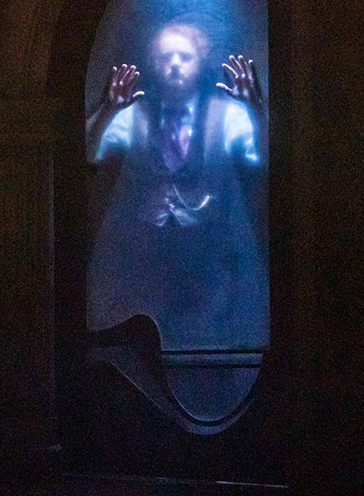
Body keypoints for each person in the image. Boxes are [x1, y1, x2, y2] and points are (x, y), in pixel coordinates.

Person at [84, 21, 268, 423]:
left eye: (184, 57)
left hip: (211, 271)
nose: (174, 65)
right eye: (165, 57)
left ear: (200, 62)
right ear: (152, 64)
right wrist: (106, 110)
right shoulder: (133, 116)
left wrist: (256, 111)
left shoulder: (227, 115)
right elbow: (86, 155)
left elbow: (262, 162)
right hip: (145, 271)